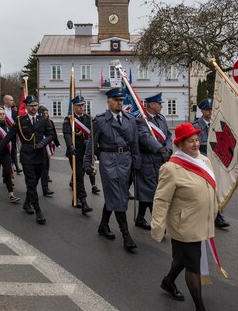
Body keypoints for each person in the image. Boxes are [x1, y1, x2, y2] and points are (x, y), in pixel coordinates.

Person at [151, 123, 217, 310]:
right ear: (180, 145)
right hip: (184, 225)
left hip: (203, 221)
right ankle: (200, 307)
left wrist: (215, 209)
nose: (196, 144)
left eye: (197, 140)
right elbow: (161, 200)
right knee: (193, 266)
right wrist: (157, 226)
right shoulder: (170, 168)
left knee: (182, 258)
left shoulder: (204, 161)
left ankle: (168, 281)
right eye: (190, 142)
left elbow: (210, 188)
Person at [83, 87, 140, 251]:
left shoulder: (130, 119)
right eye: (116, 100)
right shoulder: (100, 120)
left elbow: (135, 142)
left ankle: (103, 224)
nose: (119, 103)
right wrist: (87, 163)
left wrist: (137, 162)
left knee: (116, 196)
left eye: (121, 100)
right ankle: (126, 235)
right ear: (108, 101)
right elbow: (91, 143)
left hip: (126, 161)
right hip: (109, 162)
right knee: (118, 197)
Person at [0, 95, 55, 225]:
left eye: (35, 105)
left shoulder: (43, 119)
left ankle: (27, 203)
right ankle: (38, 211)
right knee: (31, 183)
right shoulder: (20, 121)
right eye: (31, 105)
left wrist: (43, 143)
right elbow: (8, 137)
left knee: (34, 182)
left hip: (40, 156)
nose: (33, 108)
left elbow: (51, 135)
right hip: (27, 157)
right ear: (26, 106)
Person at [135, 92, 172, 230]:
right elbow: (145, 138)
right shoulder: (141, 120)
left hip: (160, 159)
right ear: (152, 105)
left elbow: (168, 135)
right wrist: (160, 149)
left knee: (151, 190)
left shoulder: (161, 119)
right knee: (152, 191)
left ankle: (140, 218)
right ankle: (159, 224)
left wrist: (167, 149)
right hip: (147, 159)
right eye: (159, 103)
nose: (161, 106)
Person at [193, 98, 230, 229]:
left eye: (211, 109)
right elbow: (195, 145)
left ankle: (217, 215)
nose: (210, 112)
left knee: (216, 188)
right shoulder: (196, 126)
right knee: (203, 189)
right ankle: (203, 214)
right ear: (202, 111)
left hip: (217, 159)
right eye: (207, 110)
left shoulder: (218, 124)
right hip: (202, 159)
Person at [62, 95, 94, 215]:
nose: (81, 107)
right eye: (79, 105)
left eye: (83, 105)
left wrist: (93, 151)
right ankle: (84, 202)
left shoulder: (89, 119)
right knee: (79, 177)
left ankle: (75, 198)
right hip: (75, 153)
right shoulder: (69, 119)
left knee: (80, 176)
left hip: (86, 153)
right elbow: (66, 134)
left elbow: (93, 135)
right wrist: (70, 145)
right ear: (74, 107)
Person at [38, 105, 59, 196]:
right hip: (40, 148)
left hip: (47, 147)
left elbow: (53, 133)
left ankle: (45, 188)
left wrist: (55, 144)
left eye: (47, 113)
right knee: (41, 170)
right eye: (44, 113)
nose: (46, 115)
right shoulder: (38, 122)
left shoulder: (50, 122)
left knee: (46, 168)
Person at [3, 94, 23, 175]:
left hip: (13, 135)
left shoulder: (15, 111)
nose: (13, 102)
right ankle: (7, 170)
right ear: (5, 101)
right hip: (4, 134)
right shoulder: (0, 110)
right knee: (6, 152)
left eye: (12, 100)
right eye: (11, 100)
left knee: (13, 150)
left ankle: (17, 167)